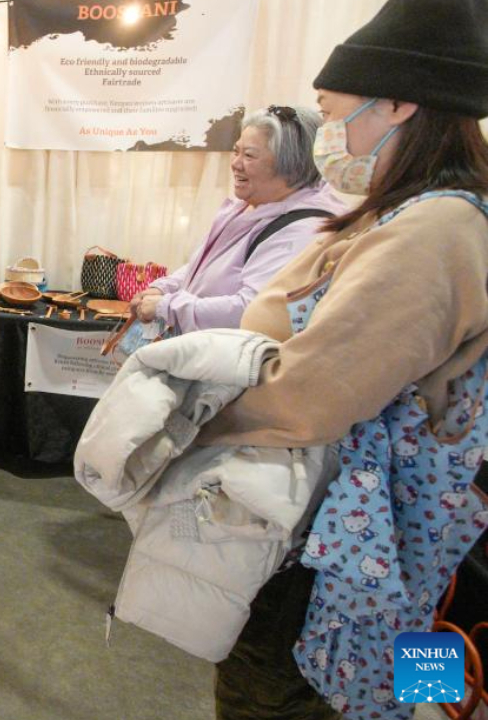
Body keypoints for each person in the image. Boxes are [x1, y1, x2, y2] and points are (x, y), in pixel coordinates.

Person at [197, 1, 488, 718]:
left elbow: (309, 397)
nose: (328, 135)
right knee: (411, 688)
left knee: (281, 694)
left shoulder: (434, 228)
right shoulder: (432, 211)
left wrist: (190, 426)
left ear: (397, 104)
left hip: (343, 553)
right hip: (414, 545)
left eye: (333, 114)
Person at [129, 107, 348, 332]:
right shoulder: (250, 206)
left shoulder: (304, 231)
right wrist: (165, 289)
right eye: (236, 152)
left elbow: (252, 311)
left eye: (249, 155)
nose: (235, 163)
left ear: (291, 165)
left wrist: (168, 307)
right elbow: (205, 267)